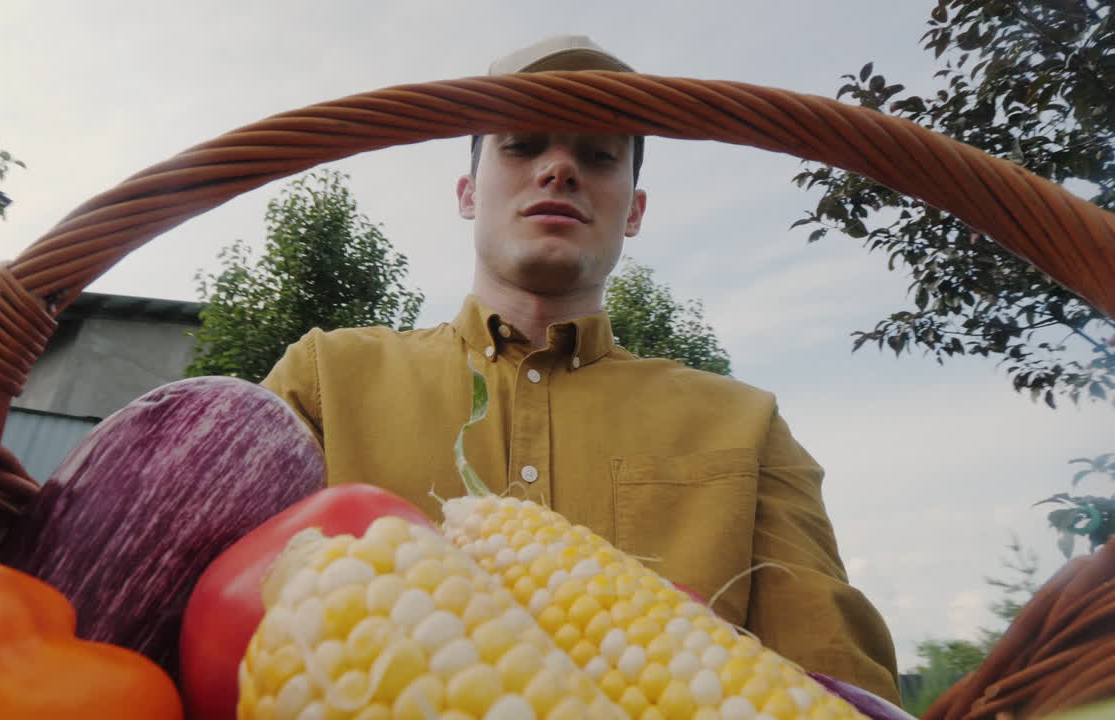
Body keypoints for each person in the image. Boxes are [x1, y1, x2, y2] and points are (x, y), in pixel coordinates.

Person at [261, 35, 901, 704]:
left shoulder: (748, 425)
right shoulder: (324, 381)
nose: (560, 168)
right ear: (466, 194)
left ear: (636, 211)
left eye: (598, 156)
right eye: (523, 144)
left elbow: (841, 687)